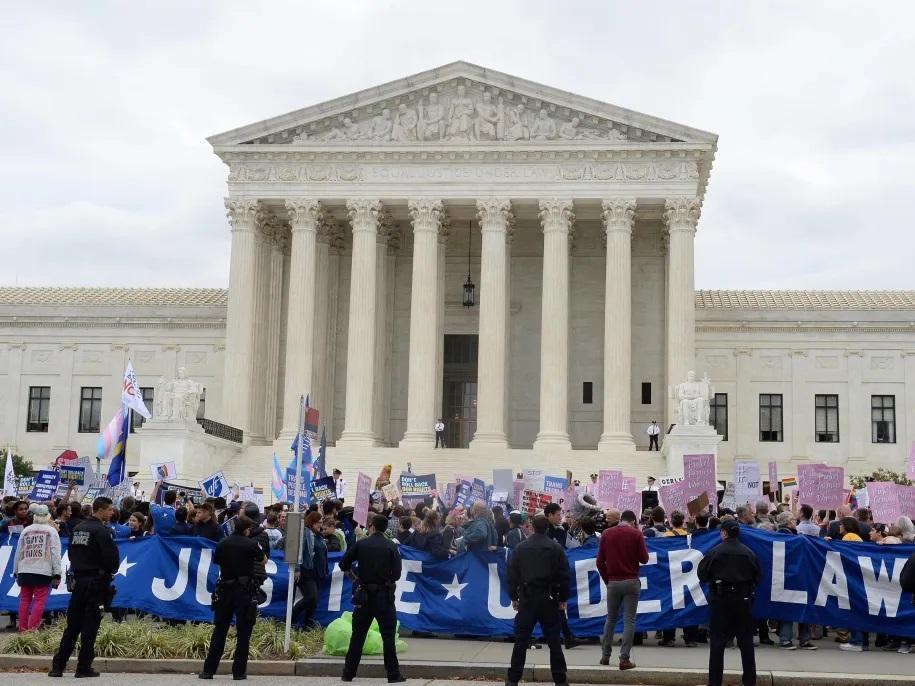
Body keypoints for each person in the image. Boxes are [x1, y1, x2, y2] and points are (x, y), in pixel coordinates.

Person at [49, 497, 120, 678]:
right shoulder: (103, 531)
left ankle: (58, 666)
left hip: (79, 581)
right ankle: (83, 667)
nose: (112, 513)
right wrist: (107, 571)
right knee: (90, 626)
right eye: (110, 509)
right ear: (101, 510)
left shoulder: (78, 528)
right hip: (96, 582)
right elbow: (111, 560)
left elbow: (72, 554)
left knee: (72, 625)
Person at [199, 516, 267, 680]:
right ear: (247, 529)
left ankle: (209, 670)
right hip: (244, 591)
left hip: (225, 590)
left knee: (220, 630)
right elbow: (263, 560)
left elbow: (217, 561)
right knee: (244, 632)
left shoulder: (222, 543)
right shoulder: (251, 544)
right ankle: (238, 672)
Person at [339, 513, 405, 683]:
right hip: (384, 596)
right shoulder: (391, 546)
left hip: (364, 595)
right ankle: (393, 674)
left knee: (358, 635)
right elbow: (397, 574)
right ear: (385, 528)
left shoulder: (362, 544)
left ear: (372, 526)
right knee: (388, 636)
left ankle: (348, 673)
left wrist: (355, 575)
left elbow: (343, 563)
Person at [505, 514, 569, 686]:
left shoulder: (520, 548)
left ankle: (513, 679)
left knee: (521, 641)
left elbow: (512, 575)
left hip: (527, 597)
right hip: (549, 597)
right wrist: (562, 598)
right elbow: (564, 576)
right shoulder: (555, 548)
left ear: (532, 527)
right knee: (554, 641)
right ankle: (560, 680)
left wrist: (514, 596)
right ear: (547, 528)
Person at [697, 519, 761, 686]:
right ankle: (749, 681)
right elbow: (758, 577)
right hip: (743, 600)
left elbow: (702, 574)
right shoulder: (748, 553)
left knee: (717, 643)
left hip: (720, 600)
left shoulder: (715, 552)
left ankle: (715, 681)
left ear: (724, 533)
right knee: (746, 642)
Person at [596, 509, 647, 670]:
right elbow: (644, 559)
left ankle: (605, 655)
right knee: (629, 620)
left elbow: (599, 562)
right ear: (632, 521)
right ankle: (624, 658)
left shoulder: (606, 533)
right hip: (631, 581)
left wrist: (607, 580)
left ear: (620, 519)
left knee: (610, 619)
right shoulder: (636, 534)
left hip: (613, 581)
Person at [13, 504, 62, 632]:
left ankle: (23, 630)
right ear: (47, 517)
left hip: (24, 569)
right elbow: (55, 553)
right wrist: (57, 573)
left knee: (25, 600)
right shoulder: (52, 531)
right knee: (39, 601)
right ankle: (33, 629)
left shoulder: (25, 531)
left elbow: (18, 552)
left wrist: (15, 571)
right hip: (43, 570)